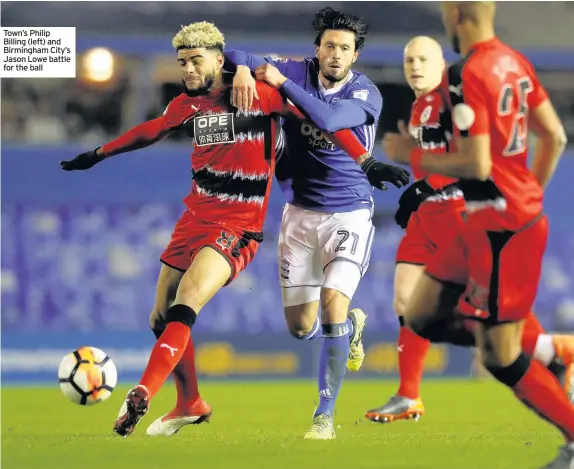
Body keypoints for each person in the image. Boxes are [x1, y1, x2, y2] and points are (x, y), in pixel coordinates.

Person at [60, 21, 403, 439]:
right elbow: (152, 129)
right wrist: (98, 154)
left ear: (218, 60)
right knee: (161, 315)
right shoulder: (188, 104)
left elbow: (328, 122)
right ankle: (190, 402)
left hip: (239, 222)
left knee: (188, 300)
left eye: (196, 60)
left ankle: (144, 392)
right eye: (182, 61)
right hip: (195, 215)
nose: (187, 69)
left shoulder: (261, 94)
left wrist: (367, 163)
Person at [384, 3, 573, 467]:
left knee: (500, 358)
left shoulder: (464, 73)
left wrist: (413, 155)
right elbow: (554, 136)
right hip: (485, 220)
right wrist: (529, 192)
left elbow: (478, 164)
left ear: (456, 13)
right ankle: (549, 348)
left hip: (501, 230)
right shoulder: (514, 61)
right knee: (421, 315)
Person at [224, 7, 409, 439]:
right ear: (317, 49)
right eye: (329, 46)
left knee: (332, 303)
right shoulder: (297, 69)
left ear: (355, 56)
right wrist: (243, 71)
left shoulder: (366, 94)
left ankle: (323, 415)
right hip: (299, 215)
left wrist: (279, 82)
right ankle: (349, 329)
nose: (335, 54)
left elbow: (327, 119)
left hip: (349, 213)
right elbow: (231, 54)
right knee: (301, 327)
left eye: (344, 48)